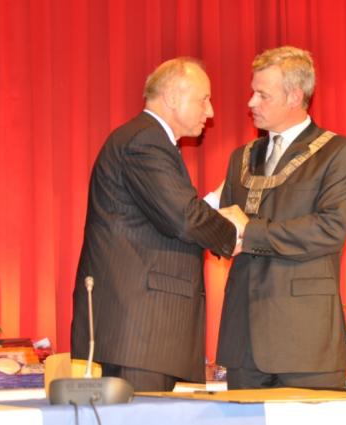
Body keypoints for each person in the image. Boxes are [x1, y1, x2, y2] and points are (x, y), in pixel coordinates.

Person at [71, 57, 245, 392]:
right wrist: (236, 232)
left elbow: (166, 215)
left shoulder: (146, 139)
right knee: (143, 413)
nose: (210, 112)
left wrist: (213, 206)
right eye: (204, 99)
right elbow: (182, 218)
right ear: (173, 97)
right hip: (140, 330)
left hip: (143, 331)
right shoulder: (145, 141)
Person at [216, 46, 346, 389]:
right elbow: (228, 229)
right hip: (243, 342)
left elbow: (330, 230)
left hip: (305, 342)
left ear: (295, 96)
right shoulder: (241, 157)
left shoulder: (340, 153)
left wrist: (250, 232)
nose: (251, 102)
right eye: (252, 92)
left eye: (262, 95)